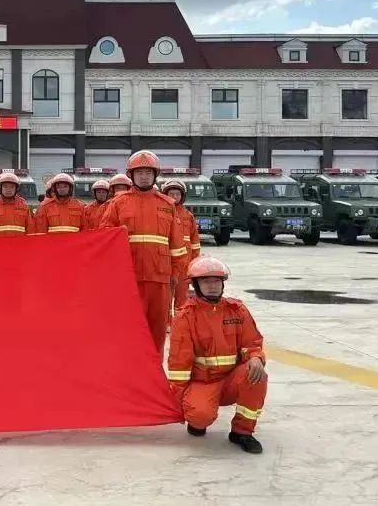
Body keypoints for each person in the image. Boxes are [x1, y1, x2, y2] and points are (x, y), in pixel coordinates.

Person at [167, 255, 267, 454]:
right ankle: (196, 419)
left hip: (231, 379)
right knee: (200, 417)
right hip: (202, 383)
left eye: (216, 281)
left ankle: (242, 432)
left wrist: (256, 357)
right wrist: (178, 400)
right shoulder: (186, 316)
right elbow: (179, 363)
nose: (212, 286)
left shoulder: (237, 310)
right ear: (195, 285)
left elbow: (252, 342)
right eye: (206, 281)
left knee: (257, 375)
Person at [100, 151, 186, 355]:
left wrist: (175, 274)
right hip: (129, 278)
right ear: (131, 175)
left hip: (160, 279)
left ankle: (154, 368)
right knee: (128, 327)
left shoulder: (167, 204)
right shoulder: (119, 203)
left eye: (148, 172)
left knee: (157, 328)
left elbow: (177, 245)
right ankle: (129, 368)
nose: (144, 177)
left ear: (155, 175)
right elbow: (105, 237)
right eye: (140, 172)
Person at [162, 179, 201, 318]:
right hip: (166, 264)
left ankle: (180, 322)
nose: (174, 197)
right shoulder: (161, 213)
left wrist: (194, 264)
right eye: (171, 194)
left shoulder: (188, 216)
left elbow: (195, 242)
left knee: (182, 298)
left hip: (184, 266)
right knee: (165, 297)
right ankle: (166, 322)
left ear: (182, 196)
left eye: (177, 194)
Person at [0, 172, 35, 237]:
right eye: (5, 186)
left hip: (19, 243)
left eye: (12, 187)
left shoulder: (23, 205)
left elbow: (30, 229)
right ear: (0, 188)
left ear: (16, 189)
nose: (8, 190)